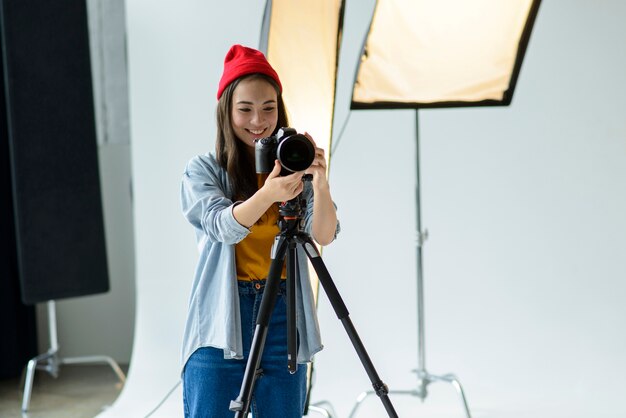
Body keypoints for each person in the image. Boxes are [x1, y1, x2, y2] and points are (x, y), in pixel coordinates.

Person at [180, 44, 339, 418]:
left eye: (268, 107)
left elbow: (325, 234)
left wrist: (321, 182)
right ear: (226, 112)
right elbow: (223, 227)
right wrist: (269, 193)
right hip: (221, 314)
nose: (258, 120)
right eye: (245, 109)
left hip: (283, 309)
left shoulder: (292, 165)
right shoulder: (203, 169)